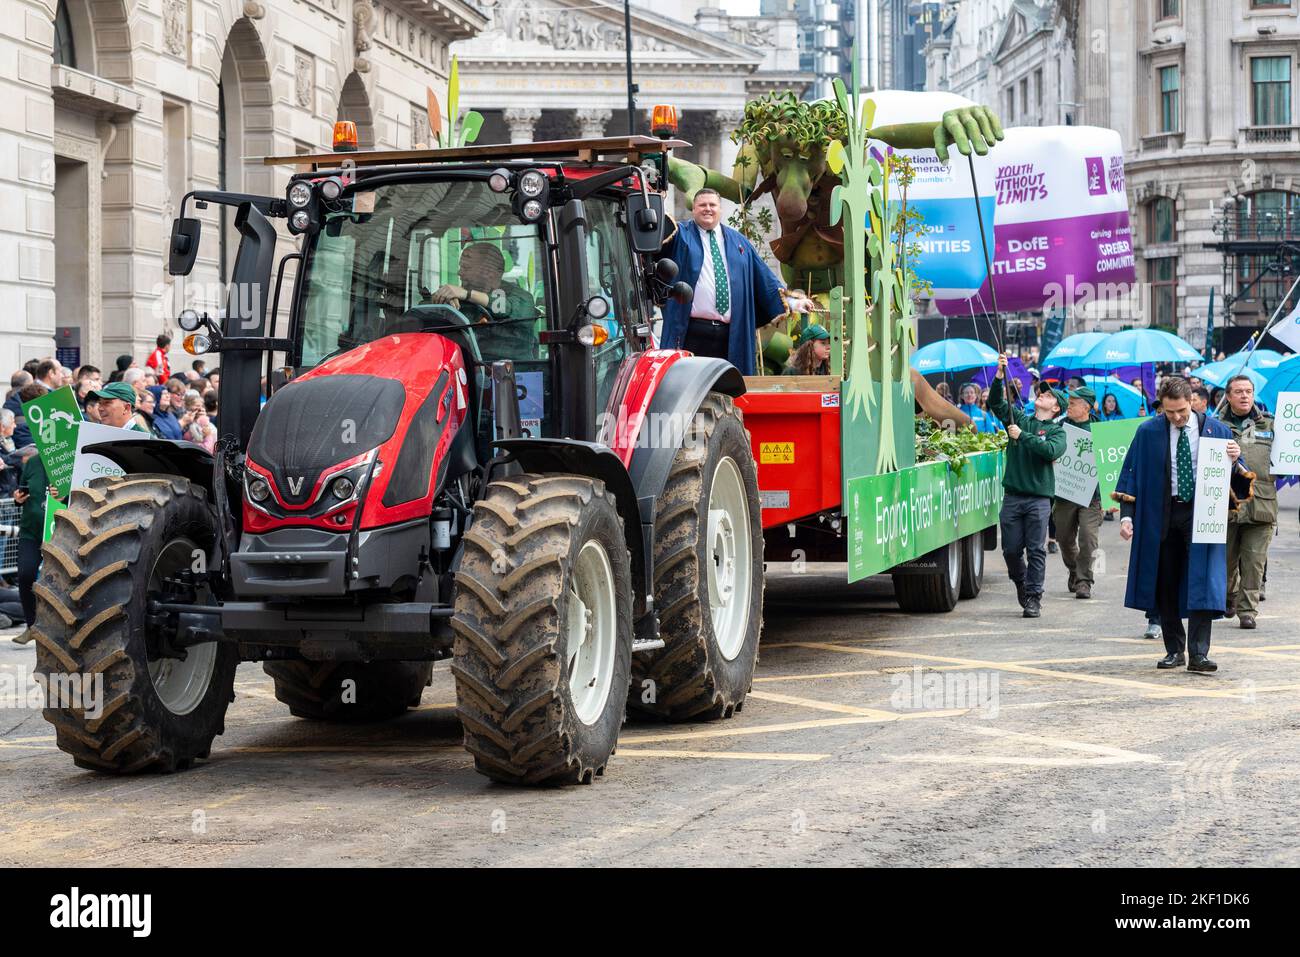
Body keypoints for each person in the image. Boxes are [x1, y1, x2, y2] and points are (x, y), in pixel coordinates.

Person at [1114, 376, 1251, 674]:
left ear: (1193, 402)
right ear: (1161, 407)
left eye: (1181, 411)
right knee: (1166, 582)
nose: (1176, 417)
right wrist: (1127, 516)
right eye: (1169, 412)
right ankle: (1174, 650)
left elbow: (1240, 477)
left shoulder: (1217, 430)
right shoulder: (1147, 432)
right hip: (1160, 515)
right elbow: (1130, 476)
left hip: (1202, 514)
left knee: (1202, 581)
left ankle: (1199, 654)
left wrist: (1237, 459)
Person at [659, 188, 811, 374]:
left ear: (720, 209)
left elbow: (764, 279)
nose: (708, 209)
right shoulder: (680, 235)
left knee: (730, 388)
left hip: (731, 335)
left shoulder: (739, 242)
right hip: (691, 331)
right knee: (686, 386)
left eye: (712, 205)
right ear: (693, 209)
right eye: (702, 205)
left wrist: (794, 302)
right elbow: (659, 237)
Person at [987, 353, 1068, 618]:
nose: (1041, 395)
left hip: (1039, 499)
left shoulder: (1058, 431)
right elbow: (997, 404)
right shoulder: (1020, 418)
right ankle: (1021, 582)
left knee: (1036, 550)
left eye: (1048, 395)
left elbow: (1050, 451)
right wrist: (1000, 375)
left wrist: (1024, 437)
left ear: (1056, 408)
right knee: (1010, 550)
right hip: (1013, 496)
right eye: (1041, 393)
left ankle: (1034, 597)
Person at [1219, 374, 1276, 629]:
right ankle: (1229, 596)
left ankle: (1248, 610)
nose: (1244, 396)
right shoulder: (1214, 425)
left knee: (1254, 561)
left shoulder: (1271, 426)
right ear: (1228, 396)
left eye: (1249, 391)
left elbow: (1285, 459)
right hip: (1226, 504)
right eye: (1239, 391)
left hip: (1261, 505)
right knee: (1226, 560)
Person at [430, 241, 540, 360]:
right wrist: (440, 299)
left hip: (515, 373)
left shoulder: (523, 298)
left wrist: (467, 294)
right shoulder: (459, 298)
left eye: (466, 267)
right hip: (467, 369)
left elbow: (507, 308)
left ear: (489, 272)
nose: (459, 273)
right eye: (461, 267)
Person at [1052, 387, 1104, 599]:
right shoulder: (1060, 426)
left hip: (1092, 495)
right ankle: (1075, 569)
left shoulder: (1102, 429)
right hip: (1065, 493)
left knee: (1088, 539)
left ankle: (1084, 581)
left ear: (1086, 407)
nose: (1068, 406)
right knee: (1064, 538)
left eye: (1073, 403)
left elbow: (1113, 464)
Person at [11, 444, 49, 640]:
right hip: (30, 529)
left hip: (59, 531)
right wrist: (18, 498)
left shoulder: (69, 464)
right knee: (25, 574)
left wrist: (64, 495)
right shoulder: (32, 462)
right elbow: (21, 491)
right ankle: (32, 625)